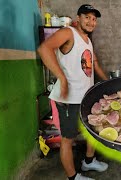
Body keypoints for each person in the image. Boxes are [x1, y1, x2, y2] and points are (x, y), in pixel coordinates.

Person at [38, 4, 109, 180]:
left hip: (85, 97)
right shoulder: (68, 32)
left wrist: (108, 82)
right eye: (87, 17)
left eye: (94, 19)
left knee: (92, 131)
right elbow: (44, 49)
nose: (91, 22)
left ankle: (89, 161)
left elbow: (95, 63)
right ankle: (73, 177)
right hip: (68, 99)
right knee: (67, 140)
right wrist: (62, 78)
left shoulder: (87, 40)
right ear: (78, 18)